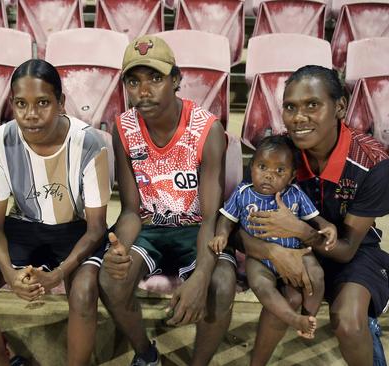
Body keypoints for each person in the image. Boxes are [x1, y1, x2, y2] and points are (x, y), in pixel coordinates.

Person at [0, 59, 111, 366]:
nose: (31, 115)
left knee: (83, 292)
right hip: (23, 227)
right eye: (21, 104)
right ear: (11, 104)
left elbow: (96, 228)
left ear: (61, 103)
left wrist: (57, 276)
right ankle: (3, 361)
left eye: (43, 103)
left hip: (76, 230)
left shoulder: (89, 143)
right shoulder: (1, 140)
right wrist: (11, 276)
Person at [239, 65, 389, 366]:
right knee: (286, 301)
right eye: (290, 107)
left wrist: (299, 229)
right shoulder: (277, 154)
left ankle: (365, 323)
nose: (299, 117)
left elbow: (347, 249)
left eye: (313, 105)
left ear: (339, 106)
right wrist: (272, 249)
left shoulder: (372, 161)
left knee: (348, 322)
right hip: (289, 246)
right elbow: (239, 227)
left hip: (354, 251)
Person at [98, 35, 236, 366]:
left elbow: (208, 217)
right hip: (149, 227)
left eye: (155, 79)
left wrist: (201, 277)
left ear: (176, 80)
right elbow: (132, 210)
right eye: (133, 81)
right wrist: (118, 251)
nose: (143, 91)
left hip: (195, 229)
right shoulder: (124, 128)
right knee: (109, 279)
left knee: (220, 282)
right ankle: (146, 355)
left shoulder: (207, 129)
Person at [210, 135, 337, 340]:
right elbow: (227, 219)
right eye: (262, 167)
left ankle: (308, 319)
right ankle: (294, 319)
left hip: (297, 252)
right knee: (261, 285)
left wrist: (327, 226)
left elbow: (315, 219)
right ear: (251, 168)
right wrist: (222, 235)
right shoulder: (243, 193)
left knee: (317, 275)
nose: (269, 175)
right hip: (259, 258)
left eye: (279, 170)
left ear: (292, 176)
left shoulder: (295, 194)